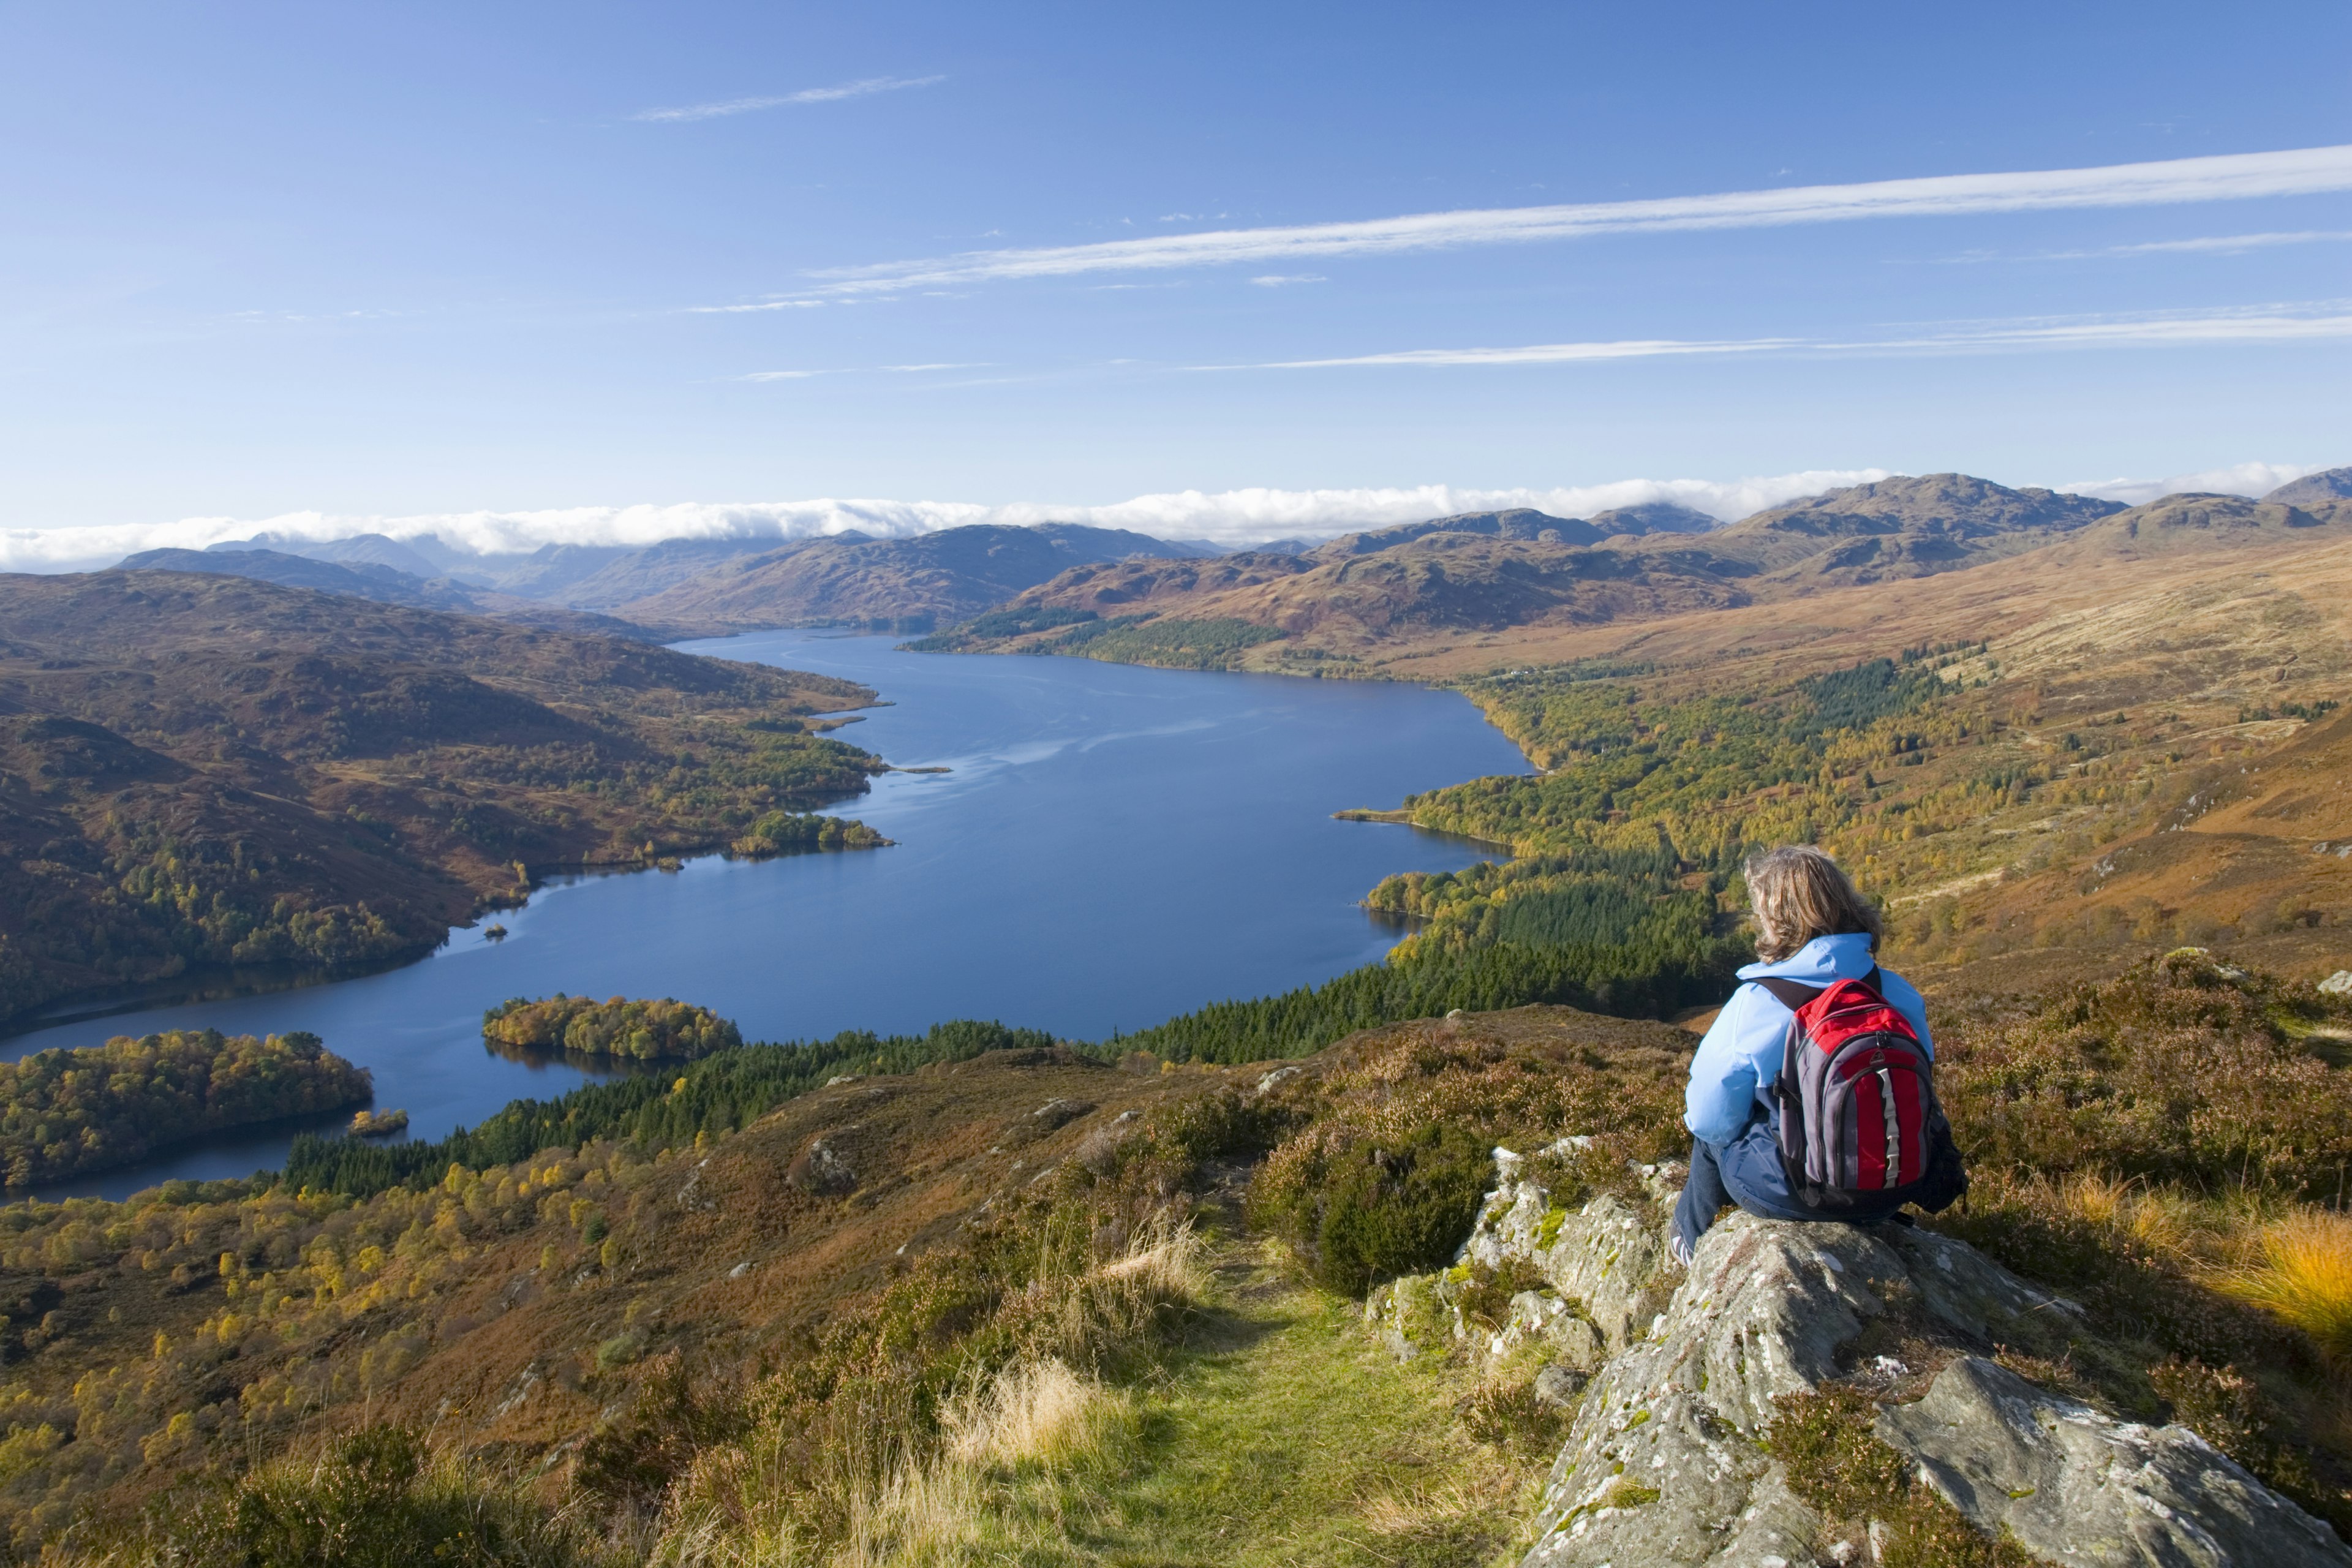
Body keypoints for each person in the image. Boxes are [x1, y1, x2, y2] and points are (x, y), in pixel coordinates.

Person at [1668, 844, 1934, 1266]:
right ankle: (1871, 1210)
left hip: (1804, 1193)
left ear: (1776, 920)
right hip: (1896, 1186)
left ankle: (1690, 1241)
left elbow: (1709, 1119)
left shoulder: (1757, 1004)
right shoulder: (1895, 992)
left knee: (1709, 1136)